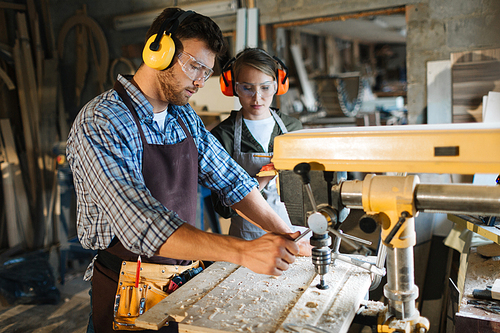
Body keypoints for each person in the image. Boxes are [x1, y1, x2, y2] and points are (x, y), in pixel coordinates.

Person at [66, 7, 310, 333]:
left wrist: (285, 234)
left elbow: (231, 180)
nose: (199, 81)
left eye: (206, 72)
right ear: (159, 51)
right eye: (194, 66)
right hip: (129, 285)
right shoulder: (102, 120)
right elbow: (142, 226)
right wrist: (243, 251)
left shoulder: (183, 117)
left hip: (183, 277)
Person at [212, 48, 306, 240]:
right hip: (248, 238)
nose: (257, 98)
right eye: (247, 88)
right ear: (233, 87)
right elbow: (222, 208)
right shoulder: (224, 135)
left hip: (295, 232)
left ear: (277, 85)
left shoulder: (292, 128)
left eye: (265, 87)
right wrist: (260, 181)